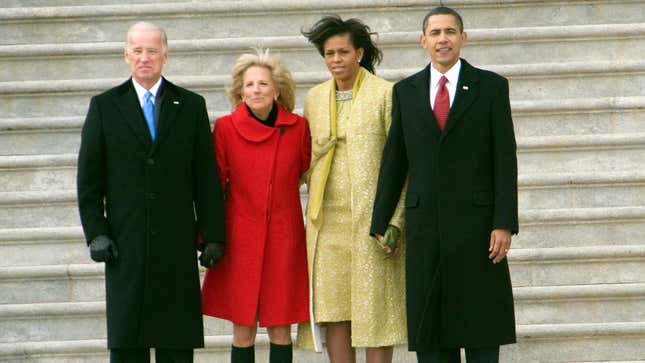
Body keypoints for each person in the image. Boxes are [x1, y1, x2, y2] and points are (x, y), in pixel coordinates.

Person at [370, 6, 518, 363]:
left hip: (478, 230)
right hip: (426, 231)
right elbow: (395, 160)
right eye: (435, 33)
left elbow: (505, 158)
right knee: (432, 338)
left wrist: (504, 223)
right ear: (423, 41)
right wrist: (380, 221)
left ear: (463, 39)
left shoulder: (491, 87)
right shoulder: (406, 91)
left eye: (450, 32)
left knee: (481, 330)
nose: (443, 39)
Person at [76, 21, 225, 363]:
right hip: (124, 245)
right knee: (129, 345)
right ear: (126, 55)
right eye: (138, 50)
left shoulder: (190, 105)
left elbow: (205, 176)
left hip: (176, 244)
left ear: (166, 55)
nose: (145, 57)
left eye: (153, 50)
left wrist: (213, 235)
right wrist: (96, 233)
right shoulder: (105, 106)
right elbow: (89, 181)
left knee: (176, 343)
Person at [297, 15, 407, 363]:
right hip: (326, 223)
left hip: (373, 221)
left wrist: (396, 221)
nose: (335, 60)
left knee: (377, 313)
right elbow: (303, 160)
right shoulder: (314, 98)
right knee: (335, 312)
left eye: (343, 51)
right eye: (329, 53)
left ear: (359, 52)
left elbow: (404, 164)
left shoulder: (386, 93)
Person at [200, 49, 311, 363]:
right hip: (241, 239)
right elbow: (214, 186)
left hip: (284, 237)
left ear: (277, 90)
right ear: (239, 92)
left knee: (280, 328)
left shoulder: (298, 128)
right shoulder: (224, 128)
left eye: (263, 84)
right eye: (249, 85)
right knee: (243, 330)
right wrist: (209, 236)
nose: (256, 90)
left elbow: (304, 170)